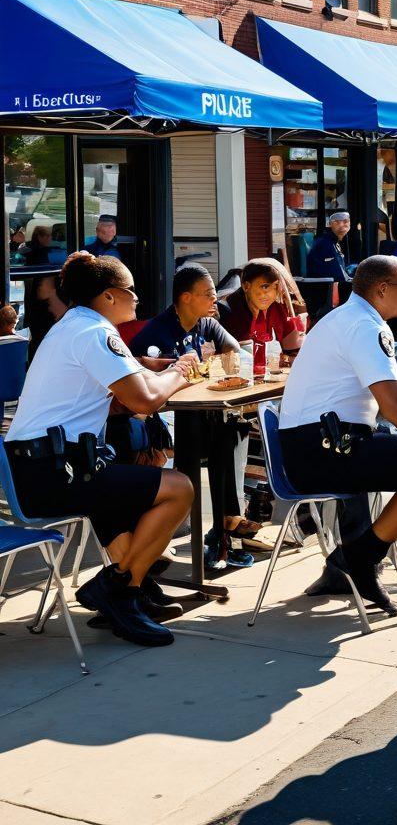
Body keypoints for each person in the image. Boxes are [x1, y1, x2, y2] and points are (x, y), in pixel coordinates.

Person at [5, 253, 196, 646]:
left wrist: (159, 368)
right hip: (53, 472)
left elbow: (134, 376)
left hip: (42, 468)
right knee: (179, 488)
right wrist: (179, 372)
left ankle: (129, 588)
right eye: (130, 290)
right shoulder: (95, 332)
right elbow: (144, 400)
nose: (137, 297)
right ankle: (119, 591)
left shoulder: (74, 325)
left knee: (120, 503)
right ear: (109, 296)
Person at [278, 256, 397, 615]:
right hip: (321, 451)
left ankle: (347, 565)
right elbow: (394, 405)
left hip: (317, 446)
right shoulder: (364, 326)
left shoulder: (348, 317)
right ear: (382, 289)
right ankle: (359, 558)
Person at [130, 264, 252, 569]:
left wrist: (210, 366)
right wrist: (203, 370)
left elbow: (234, 353)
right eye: (208, 294)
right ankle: (224, 528)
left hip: (198, 414)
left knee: (232, 428)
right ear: (186, 297)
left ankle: (223, 529)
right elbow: (150, 383)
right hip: (162, 421)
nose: (215, 299)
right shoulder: (157, 333)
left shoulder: (206, 324)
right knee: (221, 432)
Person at [218, 259, 306, 362]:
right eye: (265, 287)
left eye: (275, 287)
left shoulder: (277, 307)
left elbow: (294, 351)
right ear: (246, 286)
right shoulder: (227, 311)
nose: (271, 294)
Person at [305, 212, 355, 282]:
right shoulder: (324, 244)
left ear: (350, 224)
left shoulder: (335, 242)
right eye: (336, 222)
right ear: (330, 224)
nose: (341, 225)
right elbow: (334, 273)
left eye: (345, 221)